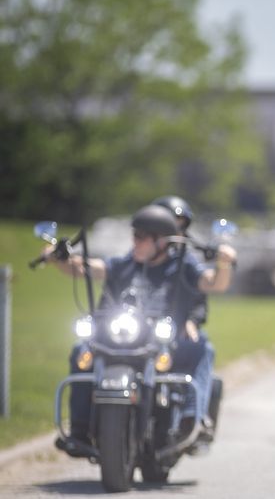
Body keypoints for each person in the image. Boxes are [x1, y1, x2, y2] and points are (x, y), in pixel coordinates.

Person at [42, 204, 237, 456]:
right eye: (134, 235)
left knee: (201, 347)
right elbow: (85, 268)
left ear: (160, 241)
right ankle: (79, 428)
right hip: (119, 337)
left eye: (141, 237)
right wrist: (59, 258)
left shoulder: (182, 266)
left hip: (158, 342)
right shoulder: (124, 263)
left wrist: (224, 264)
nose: (135, 241)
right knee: (81, 350)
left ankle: (191, 420)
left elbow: (214, 283)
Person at [153, 195, 232, 442]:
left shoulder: (186, 260)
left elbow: (202, 294)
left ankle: (192, 416)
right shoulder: (136, 257)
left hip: (172, 332)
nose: (174, 229)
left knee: (202, 347)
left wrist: (191, 321)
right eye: (168, 223)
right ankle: (83, 423)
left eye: (179, 223)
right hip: (132, 332)